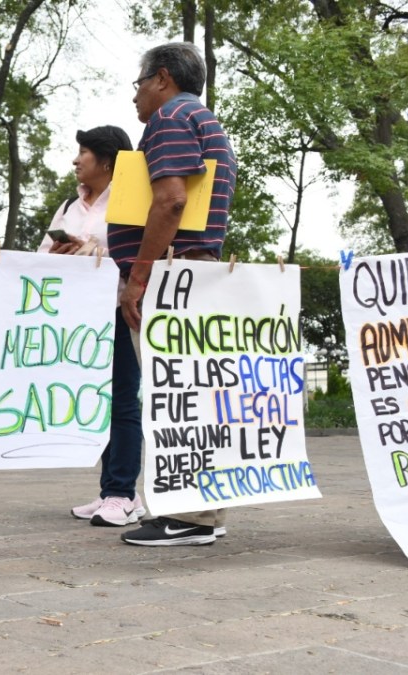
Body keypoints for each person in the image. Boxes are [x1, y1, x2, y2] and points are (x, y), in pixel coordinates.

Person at [110, 42, 237, 546]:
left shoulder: (168, 119)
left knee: (171, 400)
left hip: (170, 279)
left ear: (161, 79)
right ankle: (202, 514)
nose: (136, 96)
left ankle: (188, 516)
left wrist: (138, 278)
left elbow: (170, 200)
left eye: (139, 83)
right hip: (194, 274)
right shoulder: (206, 123)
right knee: (190, 399)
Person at [39, 126, 147, 528]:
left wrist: (93, 250)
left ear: (106, 161)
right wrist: (63, 251)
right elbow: (42, 256)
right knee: (100, 403)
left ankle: (120, 492)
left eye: (82, 153)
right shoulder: (70, 205)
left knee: (121, 400)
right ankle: (116, 492)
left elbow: (141, 253)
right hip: (80, 317)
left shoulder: (133, 201)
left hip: (118, 310)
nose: (75, 160)